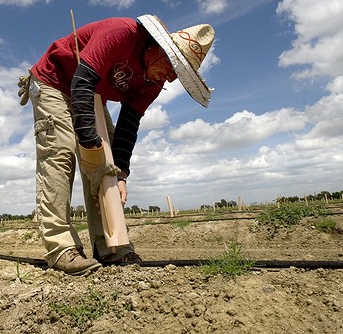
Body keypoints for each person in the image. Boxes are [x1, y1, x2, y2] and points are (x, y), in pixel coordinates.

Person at [18, 14, 214, 275]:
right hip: (55, 80)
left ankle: (111, 246)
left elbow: (128, 126)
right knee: (61, 151)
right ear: (160, 49)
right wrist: (91, 149)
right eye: (174, 69)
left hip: (91, 95)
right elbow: (82, 82)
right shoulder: (121, 32)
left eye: (178, 76)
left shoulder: (153, 83)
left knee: (108, 165)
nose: (170, 79)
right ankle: (61, 248)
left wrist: (120, 172)